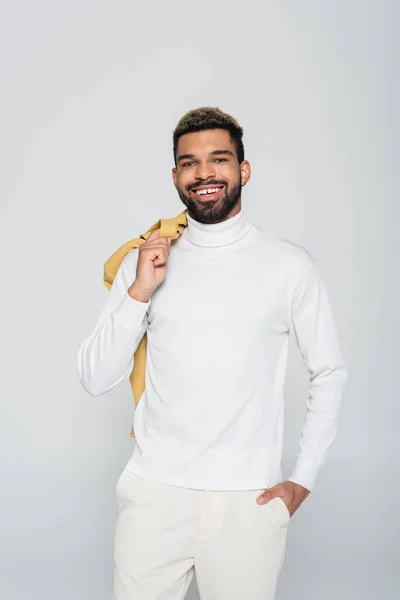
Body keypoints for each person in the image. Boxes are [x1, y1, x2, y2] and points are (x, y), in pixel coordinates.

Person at [77, 106, 348, 600]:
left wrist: (302, 480)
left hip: (248, 501)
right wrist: (139, 292)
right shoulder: (147, 260)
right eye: (188, 163)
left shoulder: (289, 266)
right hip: (153, 493)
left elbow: (329, 372)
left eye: (218, 160)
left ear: (243, 170)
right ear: (176, 175)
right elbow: (95, 377)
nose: (203, 173)